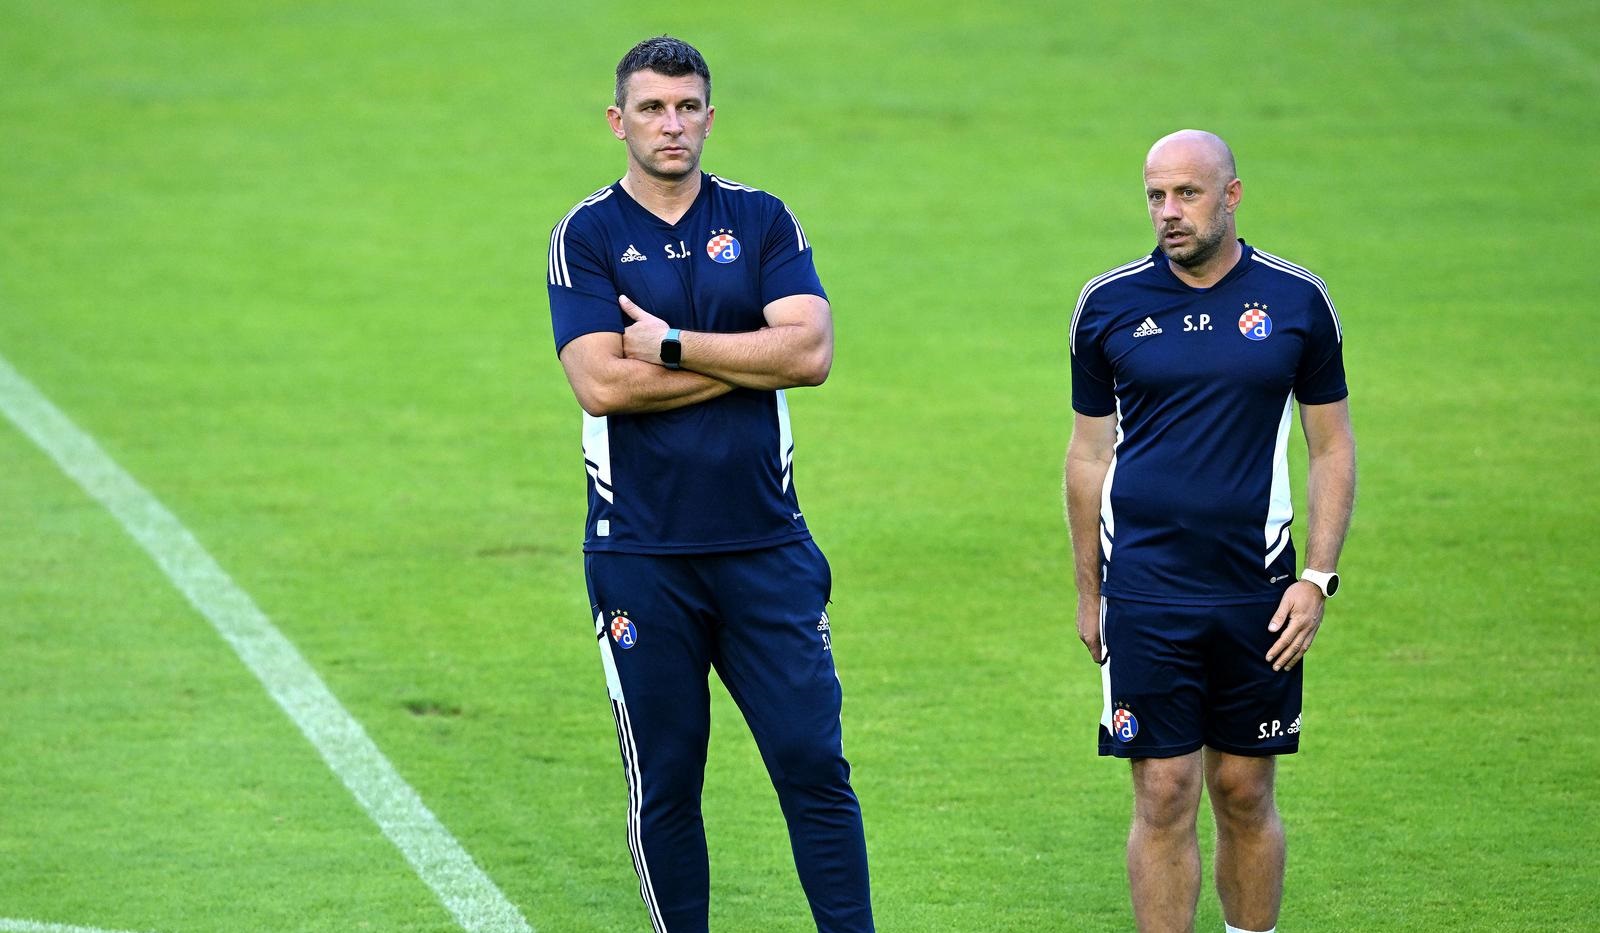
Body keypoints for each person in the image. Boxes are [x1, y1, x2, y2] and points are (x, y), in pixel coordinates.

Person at [544, 36, 873, 933]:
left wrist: (678, 344)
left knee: (814, 761)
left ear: (710, 117)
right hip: (641, 556)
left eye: (687, 106)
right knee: (669, 777)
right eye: (652, 108)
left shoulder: (763, 219)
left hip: (767, 547)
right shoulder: (588, 234)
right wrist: (745, 361)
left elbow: (809, 352)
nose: (672, 124)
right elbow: (603, 383)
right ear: (620, 122)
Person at [1065, 129, 1357, 933]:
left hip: (1259, 589)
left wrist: (1317, 577)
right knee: (1163, 790)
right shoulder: (1108, 305)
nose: (1169, 212)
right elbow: (1088, 456)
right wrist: (1089, 593)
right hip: (1147, 590)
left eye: (1187, 194)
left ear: (1230, 196)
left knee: (1243, 788)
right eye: (1156, 195)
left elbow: (1330, 445)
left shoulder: (1298, 301)